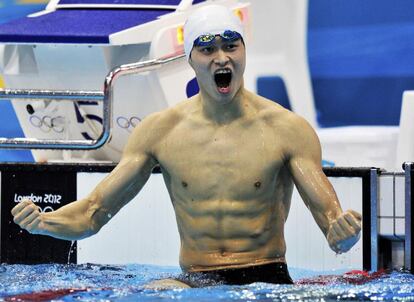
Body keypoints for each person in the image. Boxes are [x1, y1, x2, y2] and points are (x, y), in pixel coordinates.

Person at [11, 4, 361, 288]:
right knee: (151, 294)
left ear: (243, 52)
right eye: (207, 49)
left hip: (266, 279)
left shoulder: (286, 129)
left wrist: (343, 234)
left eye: (230, 46)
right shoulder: (161, 132)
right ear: (190, 60)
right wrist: (43, 223)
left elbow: (332, 227)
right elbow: (93, 212)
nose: (221, 58)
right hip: (196, 280)